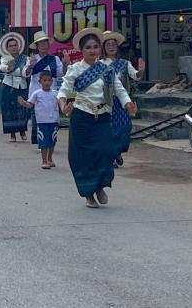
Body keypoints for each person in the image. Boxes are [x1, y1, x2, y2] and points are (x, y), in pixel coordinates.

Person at [58, 28, 136, 209]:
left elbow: (119, 89)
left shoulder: (107, 69)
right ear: (81, 50)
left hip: (102, 117)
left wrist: (128, 104)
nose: (92, 50)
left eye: (95, 47)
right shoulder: (75, 69)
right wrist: (64, 104)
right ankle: (89, 194)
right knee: (83, 157)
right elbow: (65, 90)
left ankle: (100, 185)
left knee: (106, 151)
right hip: (82, 117)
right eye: (88, 47)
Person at [102, 31, 145, 168]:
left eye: (113, 44)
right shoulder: (100, 64)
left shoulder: (125, 63)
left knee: (125, 128)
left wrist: (141, 70)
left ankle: (117, 152)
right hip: (107, 101)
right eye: (108, 45)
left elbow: (136, 76)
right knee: (109, 129)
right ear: (104, 48)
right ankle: (112, 156)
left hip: (122, 102)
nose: (111, 47)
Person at [25, 31, 64, 146]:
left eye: (45, 43)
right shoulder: (32, 58)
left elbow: (61, 74)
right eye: (40, 43)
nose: (43, 45)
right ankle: (40, 142)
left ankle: (51, 140)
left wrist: (66, 64)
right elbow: (25, 74)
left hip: (51, 93)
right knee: (37, 117)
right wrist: (31, 66)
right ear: (37, 46)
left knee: (52, 117)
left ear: (48, 44)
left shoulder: (55, 59)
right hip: (36, 93)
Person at [18, 71, 59, 169]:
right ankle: (44, 161)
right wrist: (24, 103)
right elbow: (30, 105)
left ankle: (50, 159)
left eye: (49, 80)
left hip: (54, 121)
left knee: (52, 141)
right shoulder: (37, 93)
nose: (47, 82)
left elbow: (61, 104)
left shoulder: (56, 93)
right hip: (42, 122)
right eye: (44, 80)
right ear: (40, 81)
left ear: (52, 81)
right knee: (43, 141)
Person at [0, 32, 29, 142]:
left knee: (22, 108)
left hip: (22, 85)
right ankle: (12, 134)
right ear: (7, 48)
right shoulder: (5, 58)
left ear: (18, 46)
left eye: (15, 45)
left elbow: (27, 71)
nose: (13, 47)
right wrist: (8, 68)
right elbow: (2, 67)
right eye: (11, 46)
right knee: (9, 109)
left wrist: (29, 68)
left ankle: (22, 131)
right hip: (8, 85)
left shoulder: (25, 58)